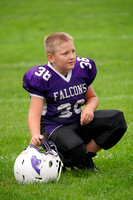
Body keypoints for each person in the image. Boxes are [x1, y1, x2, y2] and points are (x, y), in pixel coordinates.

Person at [23, 32, 127, 170]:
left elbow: (92, 98)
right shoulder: (42, 77)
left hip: (77, 120)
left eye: (73, 51)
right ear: (51, 57)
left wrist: (89, 108)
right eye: (65, 53)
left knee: (116, 120)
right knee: (74, 147)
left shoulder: (82, 69)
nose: (72, 56)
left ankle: (85, 158)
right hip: (54, 126)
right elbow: (34, 113)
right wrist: (35, 135)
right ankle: (59, 159)